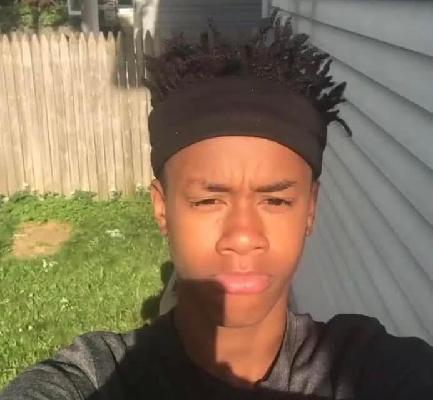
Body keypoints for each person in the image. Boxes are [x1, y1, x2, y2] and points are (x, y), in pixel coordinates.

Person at [1, 16, 433, 400]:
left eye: (276, 200)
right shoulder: (100, 378)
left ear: (310, 210)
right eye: (209, 200)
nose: (242, 236)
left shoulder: (367, 370)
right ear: (162, 208)